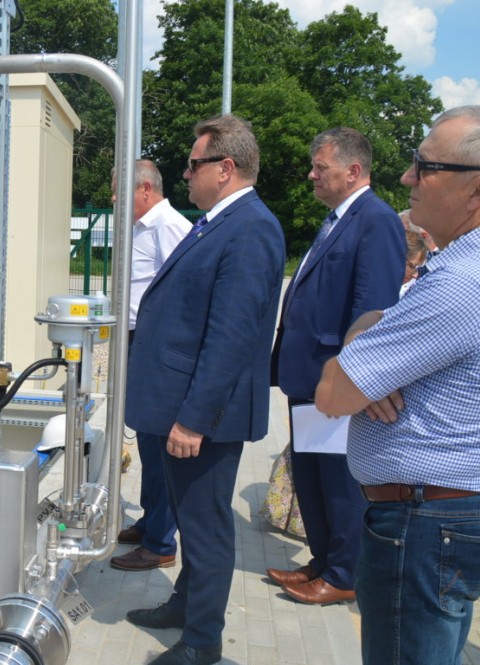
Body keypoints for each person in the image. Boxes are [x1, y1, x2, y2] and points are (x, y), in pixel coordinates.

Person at [315, 105, 480, 665]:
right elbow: (370, 345)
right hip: (457, 513)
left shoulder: (464, 285)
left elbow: (333, 393)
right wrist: (374, 346)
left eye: (426, 166)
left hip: (423, 525)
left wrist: (362, 351)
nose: (408, 177)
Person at [124, 114, 285, 665]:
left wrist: (194, 419)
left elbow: (231, 336)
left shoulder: (251, 228)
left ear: (225, 168)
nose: (186, 174)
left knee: (206, 525)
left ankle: (202, 642)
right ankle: (186, 605)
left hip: (204, 416)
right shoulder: (219, 221)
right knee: (193, 519)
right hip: (183, 404)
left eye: (194, 164)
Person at [267, 128, 405, 605]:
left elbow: (373, 310)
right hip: (310, 377)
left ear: (353, 171)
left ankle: (345, 574)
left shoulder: (376, 220)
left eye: (320, 167)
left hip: (336, 381)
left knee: (339, 483)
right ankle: (323, 560)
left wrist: (354, 380)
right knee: (312, 478)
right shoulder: (337, 219)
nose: (311, 175)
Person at [109, 159, 191, 572]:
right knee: (146, 439)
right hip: (138, 342)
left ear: (144, 189)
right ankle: (150, 521)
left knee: (160, 447)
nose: (113, 199)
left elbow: (184, 294)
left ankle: (161, 542)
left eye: (119, 190)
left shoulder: (169, 227)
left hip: (155, 345)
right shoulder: (142, 227)